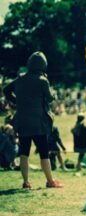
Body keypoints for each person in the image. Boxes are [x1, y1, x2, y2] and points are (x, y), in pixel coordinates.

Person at [3, 51, 63, 189]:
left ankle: (26, 182)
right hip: (39, 122)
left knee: (24, 152)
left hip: (22, 121)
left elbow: (6, 90)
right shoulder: (43, 80)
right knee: (43, 151)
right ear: (43, 65)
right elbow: (50, 98)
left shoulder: (20, 78)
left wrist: (16, 102)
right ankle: (50, 181)